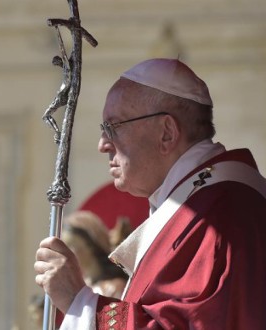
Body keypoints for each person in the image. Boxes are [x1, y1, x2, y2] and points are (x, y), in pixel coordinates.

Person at [34, 58, 266, 329]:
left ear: (167, 133)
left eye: (113, 127)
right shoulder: (199, 204)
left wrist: (81, 302)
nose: (102, 145)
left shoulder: (221, 216)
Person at [62, 211, 128, 299]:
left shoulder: (113, 288)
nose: (65, 255)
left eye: (71, 247)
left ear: (90, 246)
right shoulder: (77, 289)